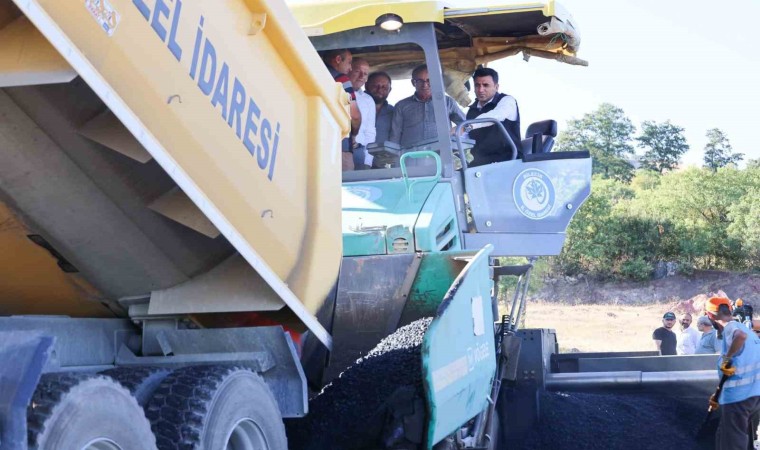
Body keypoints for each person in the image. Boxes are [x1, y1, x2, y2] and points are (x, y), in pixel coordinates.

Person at [704, 296, 760, 449]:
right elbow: (737, 367)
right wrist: (718, 395)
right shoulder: (747, 330)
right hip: (753, 394)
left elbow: (739, 337)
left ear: (710, 316)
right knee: (725, 433)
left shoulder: (731, 327)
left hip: (739, 397)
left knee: (733, 441)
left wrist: (727, 358)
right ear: (729, 309)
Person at [389, 64, 465, 148]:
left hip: (442, 155)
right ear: (413, 83)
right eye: (420, 81)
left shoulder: (447, 102)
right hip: (411, 156)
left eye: (429, 80)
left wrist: (455, 132)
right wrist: (394, 157)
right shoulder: (401, 105)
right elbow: (395, 135)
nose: (425, 85)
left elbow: (465, 124)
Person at [463, 67, 521, 167]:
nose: (481, 90)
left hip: (508, 161)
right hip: (481, 163)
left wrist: (466, 126)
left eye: (486, 85)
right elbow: (466, 136)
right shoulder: (472, 110)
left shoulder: (507, 101)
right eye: (477, 85)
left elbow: (496, 116)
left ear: (496, 87)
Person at [323, 48, 361, 171]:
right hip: (340, 147)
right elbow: (354, 115)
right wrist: (354, 134)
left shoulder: (310, 75)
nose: (350, 68)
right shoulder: (342, 79)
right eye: (349, 62)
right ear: (338, 59)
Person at [348, 58, 376, 170]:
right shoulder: (336, 91)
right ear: (348, 70)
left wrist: (368, 161)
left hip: (359, 152)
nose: (361, 76)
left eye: (365, 74)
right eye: (357, 71)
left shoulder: (368, 100)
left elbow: (370, 131)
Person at [365, 71, 394, 145]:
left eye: (384, 87)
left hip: (384, 155)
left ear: (390, 90)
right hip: (356, 154)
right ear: (366, 86)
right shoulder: (354, 105)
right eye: (375, 86)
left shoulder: (394, 112)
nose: (379, 90)